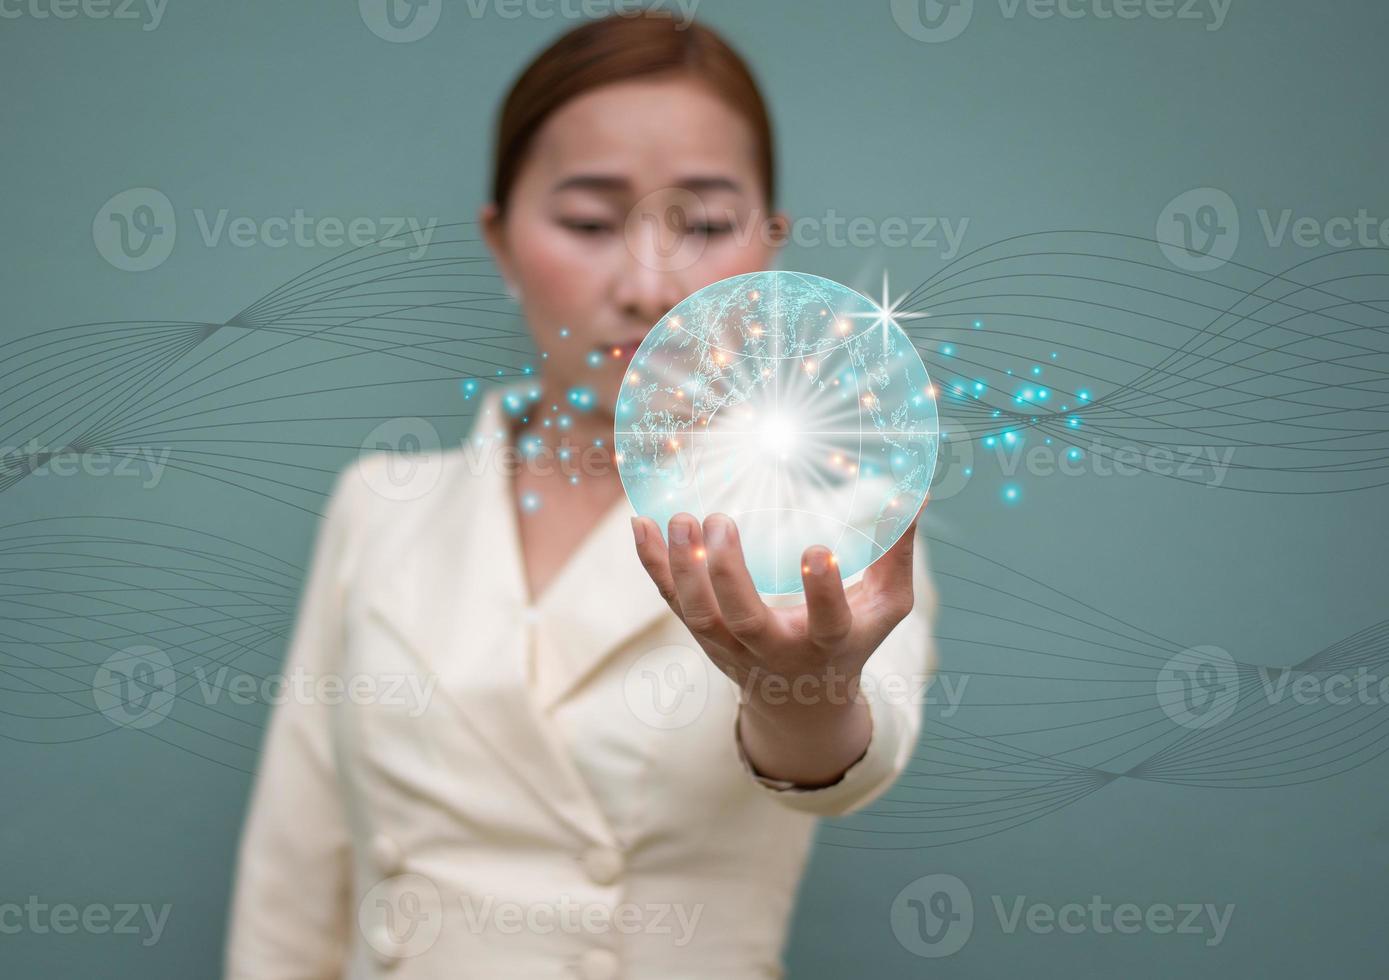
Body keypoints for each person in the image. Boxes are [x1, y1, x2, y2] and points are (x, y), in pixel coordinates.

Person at [225, 11, 937, 979]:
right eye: (591, 222)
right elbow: (293, 880)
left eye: (707, 224)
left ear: (770, 247)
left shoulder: (828, 519)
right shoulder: (379, 505)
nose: (648, 284)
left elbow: (851, 765)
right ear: (503, 243)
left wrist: (801, 693)